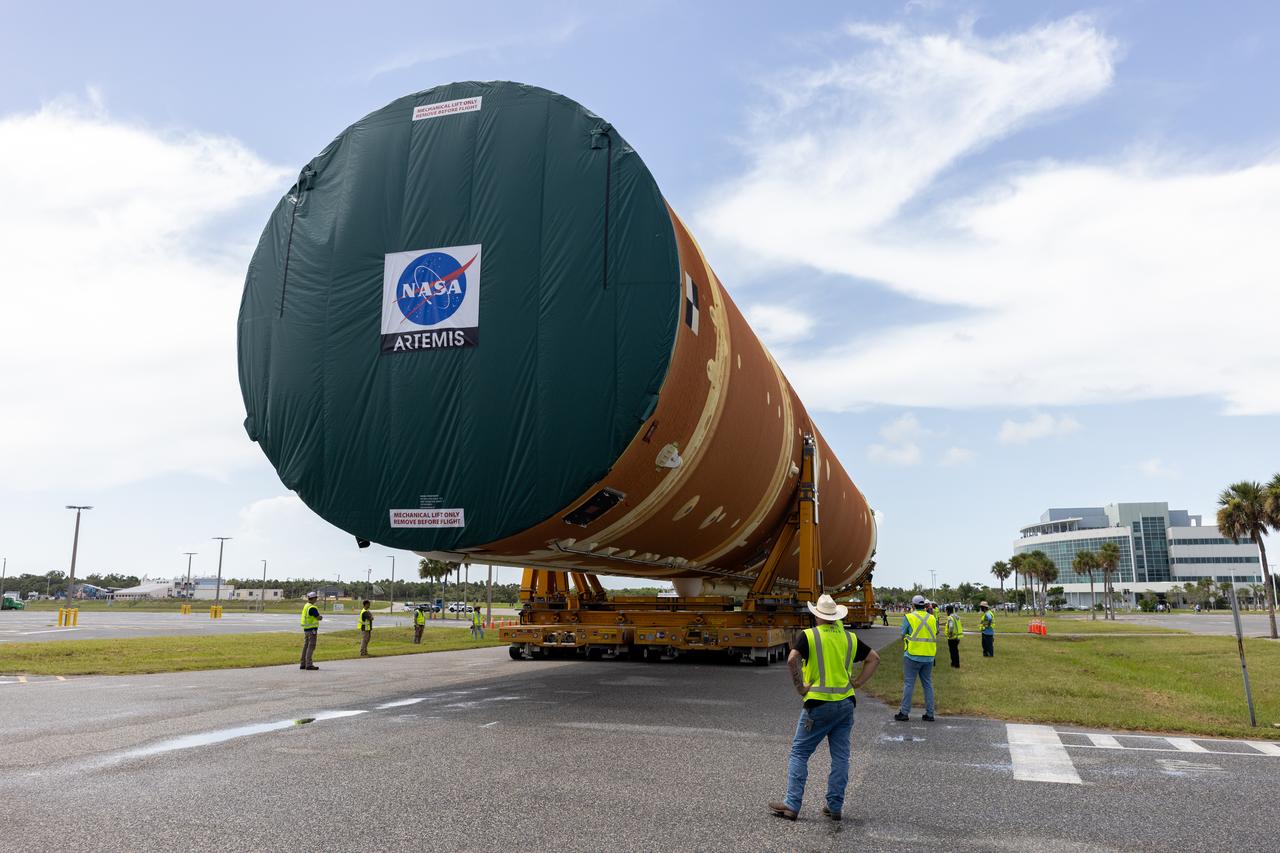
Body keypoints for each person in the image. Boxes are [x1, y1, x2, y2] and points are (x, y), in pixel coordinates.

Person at [769, 594, 879, 822]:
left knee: (799, 753)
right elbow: (874, 658)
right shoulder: (850, 638)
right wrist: (857, 683)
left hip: (818, 705)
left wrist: (801, 687)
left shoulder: (809, 636)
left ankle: (792, 804)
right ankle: (835, 806)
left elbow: (792, 660)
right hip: (845, 704)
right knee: (840, 757)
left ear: (817, 615)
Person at [894, 594, 937, 722]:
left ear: (913, 605)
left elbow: (903, 635)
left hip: (912, 655)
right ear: (924, 605)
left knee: (909, 684)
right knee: (928, 684)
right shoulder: (932, 618)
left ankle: (904, 712)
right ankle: (930, 714)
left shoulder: (909, 617)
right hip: (929, 656)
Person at [299, 591, 322, 670]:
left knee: (306, 646)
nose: (316, 599)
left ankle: (303, 663)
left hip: (306, 629)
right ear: (313, 598)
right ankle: (309, 664)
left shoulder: (306, 606)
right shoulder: (312, 607)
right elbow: (318, 617)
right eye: (316, 598)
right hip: (312, 630)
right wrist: (320, 617)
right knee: (311, 646)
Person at [945, 604, 963, 669]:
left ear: (948, 611)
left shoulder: (950, 618)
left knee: (952, 651)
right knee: (956, 651)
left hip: (952, 637)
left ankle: (954, 664)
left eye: (946, 611)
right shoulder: (956, 616)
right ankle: (957, 664)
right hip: (957, 637)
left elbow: (951, 626)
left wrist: (950, 633)